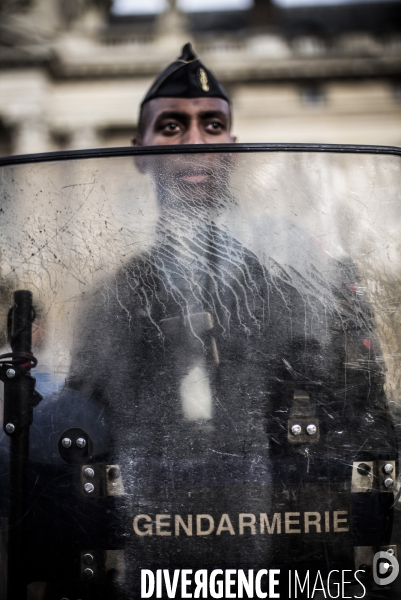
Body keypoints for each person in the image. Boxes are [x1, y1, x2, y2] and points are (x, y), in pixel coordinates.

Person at [62, 44, 398, 597]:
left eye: (211, 125)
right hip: (153, 565)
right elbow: (80, 445)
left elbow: (367, 435)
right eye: (171, 126)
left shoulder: (304, 290)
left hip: (290, 564)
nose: (193, 140)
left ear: (233, 150)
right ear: (139, 152)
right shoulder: (108, 303)